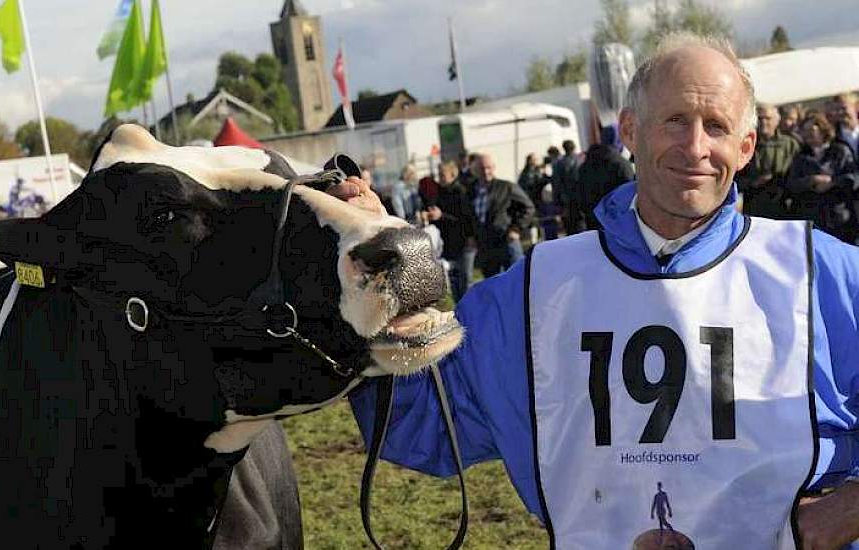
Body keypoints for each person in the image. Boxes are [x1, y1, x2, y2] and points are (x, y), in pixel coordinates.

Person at [339, 32, 859, 549]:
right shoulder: (532, 293)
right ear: (630, 129)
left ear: (745, 148)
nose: (696, 147)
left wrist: (851, 503)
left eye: (717, 127)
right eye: (675, 120)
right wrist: (369, 273)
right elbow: (421, 420)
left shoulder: (819, 271)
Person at [786, 113, 859, 243]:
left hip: (839, 218)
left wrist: (832, 182)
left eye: (811, 130)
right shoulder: (801, 157)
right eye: (804, 131)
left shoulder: (840, 150)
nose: (807, 134)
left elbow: (853, 178)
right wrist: (811, 180)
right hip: (813, 220)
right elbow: (791, 185)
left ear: (822, 129)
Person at [466, 153, 534, 277]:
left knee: (518, 281)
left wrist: (516, 229)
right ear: (475, 170)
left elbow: (528, 207)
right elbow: (468, 216)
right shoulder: (471, 192)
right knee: (494, 285)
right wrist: (471, 235)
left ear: (494, 168)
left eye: (488, 168)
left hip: (507, 243)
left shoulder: (506, 187)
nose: (486, 172)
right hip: (486, 247)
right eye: (482, 169)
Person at [425, 160, 477, 302]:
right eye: (439, 174)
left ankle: (471, 314)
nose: (439, 178)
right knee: (454, 282)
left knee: (466, 280)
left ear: (453, 174)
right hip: (449, 244)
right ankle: (460, 315)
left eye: (442, 175)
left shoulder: (461, 192)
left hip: (464, 243)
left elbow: (465, 219)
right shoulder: (440, 193)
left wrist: (442, 216)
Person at [736, 103, 799, 219]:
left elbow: (799, 175)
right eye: (760, 118)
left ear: (777, 120)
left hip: (783, 207)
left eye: (768, 118)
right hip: (754, 208)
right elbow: (735, 179)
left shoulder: (790, 144)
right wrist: (752, 183)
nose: (764, 122)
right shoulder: (745, 145)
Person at [575, 125, 635, 230]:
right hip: (618, 226)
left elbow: (580, 196)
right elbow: (630, 197)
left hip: (593, 225)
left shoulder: (586, 164)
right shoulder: (622, 164)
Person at [553, 139, 583, 235]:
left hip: (566, 201)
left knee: (571, 231)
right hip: (581, 200)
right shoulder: (581, 160)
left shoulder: (559, 164)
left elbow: (556, 184)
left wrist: (557, 202)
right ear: (574, 147)